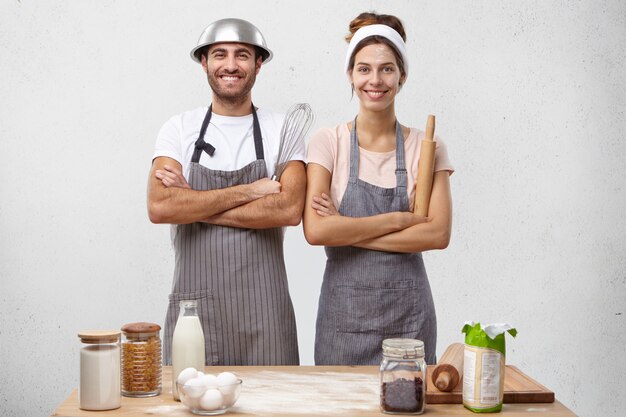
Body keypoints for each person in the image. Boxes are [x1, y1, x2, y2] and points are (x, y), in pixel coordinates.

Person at [147, 18, 305, 366]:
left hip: (266, 311)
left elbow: (289, 210)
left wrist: (193, 204)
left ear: (258, 64)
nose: (230, 65)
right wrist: (252, 191)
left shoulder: (282, 129)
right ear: (204, 62)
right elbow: (160, 206)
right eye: (220, 55)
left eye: (242, 55)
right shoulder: (179, 129)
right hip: (197, 311)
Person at [304, 12, 454, 365]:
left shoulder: (428, 146)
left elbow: (438, 234)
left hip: (409, 319)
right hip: (343, 324)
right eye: (364, 69)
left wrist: (345, 229)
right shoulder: (329, 143)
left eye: (387, 69)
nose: (376, 80)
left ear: (402, 76)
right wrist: (402, 219)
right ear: (350, 74)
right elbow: (316, 230)